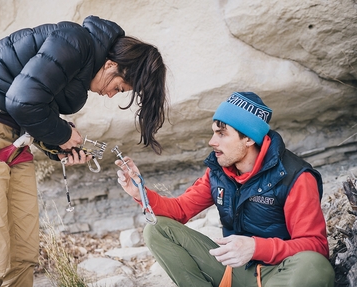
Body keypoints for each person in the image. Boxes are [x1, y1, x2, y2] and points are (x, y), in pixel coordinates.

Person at [0, 15, 168, 287]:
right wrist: (64, 133)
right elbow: (21, 101)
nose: (111, 95)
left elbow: (33, 108)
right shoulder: (75, 41)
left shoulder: (77, 65)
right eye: (118, 87)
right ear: (110, 65)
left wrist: (57, 148)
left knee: (23, 253)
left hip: (16, 140)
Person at [115, 92, 335, 287]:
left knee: (315, 266)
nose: (212, 141)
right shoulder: (219, 172)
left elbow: (316, 246)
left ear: (249, 138)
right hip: (233, 270)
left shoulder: (295, 177)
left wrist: (256, 247)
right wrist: (140, 193)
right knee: (156, 229)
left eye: (222, 134)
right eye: (213, 133)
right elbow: (180, 209)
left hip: (279, 273)